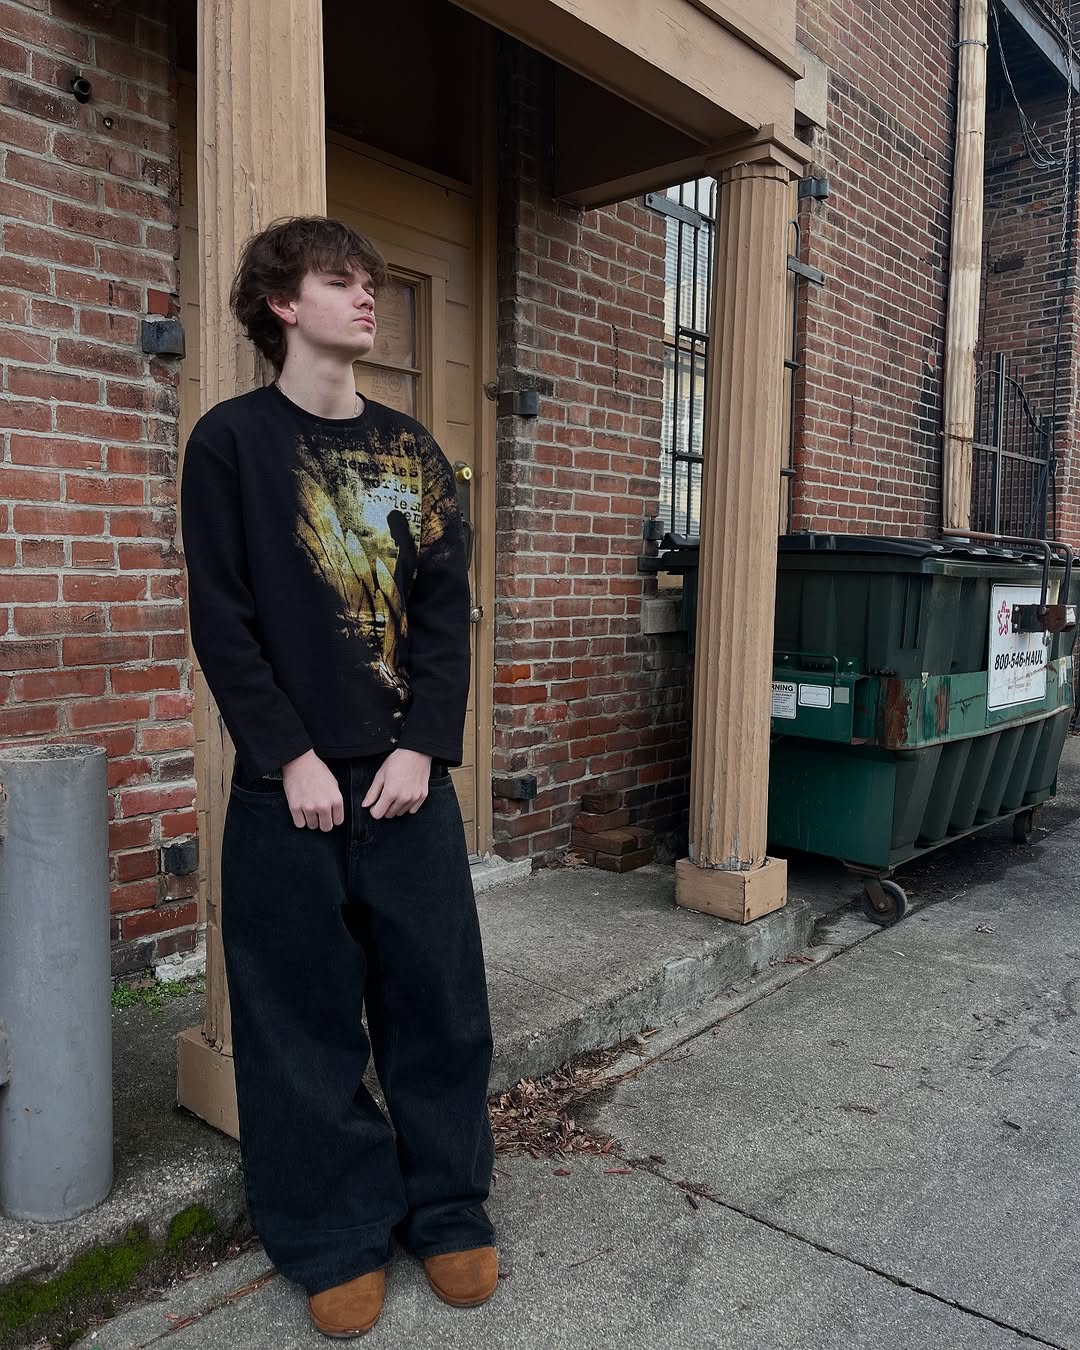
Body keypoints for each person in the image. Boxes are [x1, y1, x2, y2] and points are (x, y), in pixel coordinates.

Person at [180, 216, 497, 1338]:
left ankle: (449, 1209)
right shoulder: (230, 444)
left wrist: (423, 745)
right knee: (298, 1023)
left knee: (439, 1004)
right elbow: (222, 621)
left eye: (370, 281)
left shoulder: (412, 450)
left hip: (408, 784)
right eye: (339, 281)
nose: (367, 296)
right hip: (291, 792)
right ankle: (332, 1233)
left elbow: (447, 613)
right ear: (283, 304)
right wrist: (289, 756)